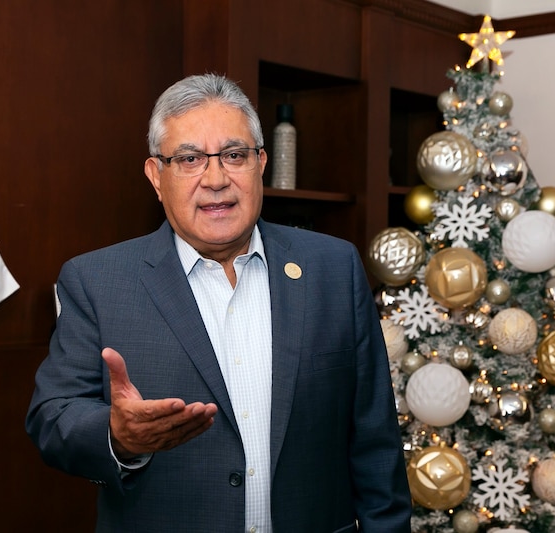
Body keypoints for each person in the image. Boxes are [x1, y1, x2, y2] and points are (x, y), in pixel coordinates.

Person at [26, 73, 411, 532]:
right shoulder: (97, 281)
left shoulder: (333, 268)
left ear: (260, 163)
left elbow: (376, 441)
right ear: (156, 176)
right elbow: (52, 418)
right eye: (189, 159)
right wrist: (118, 437)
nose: (215, 179)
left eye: (233, 155)